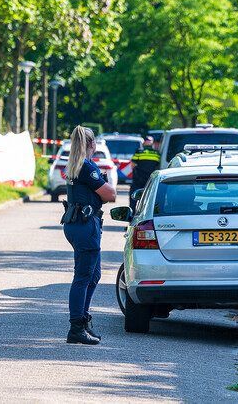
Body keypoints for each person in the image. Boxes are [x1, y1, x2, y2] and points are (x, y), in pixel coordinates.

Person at [60, 126, 117, 345]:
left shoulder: (74, 164)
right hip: (85, 226)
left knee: (93, 275)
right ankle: (76, 327)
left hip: (77, 225)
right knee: (83, 277)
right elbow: (110, 194)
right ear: (92, 145)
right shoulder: (86, 166)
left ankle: (82, 322)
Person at [129, 136, 161, 211]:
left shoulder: (139, 151)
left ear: (144, 142)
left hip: (138, 179)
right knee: (150, 197)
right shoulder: (157, 153)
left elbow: (133, 165)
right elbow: (158, 165)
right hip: (150, 179)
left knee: (134, 196)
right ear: (152, 143)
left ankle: (132, 213)